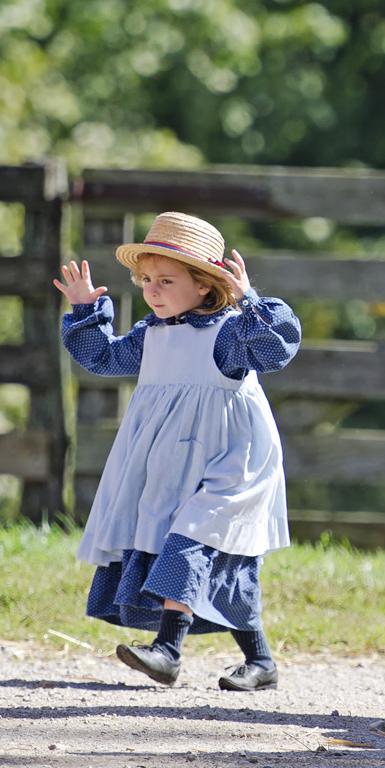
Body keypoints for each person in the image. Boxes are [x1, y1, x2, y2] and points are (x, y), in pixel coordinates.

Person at [54, 211, 302, 691]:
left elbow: (275, 350)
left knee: (190, 539)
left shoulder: (229, 333)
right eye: (146, 279)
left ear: (207, 286)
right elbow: (102, 358)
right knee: (214, 553)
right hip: (172, 464)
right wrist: (85, 309)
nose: (152, 290)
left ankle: (167, 651)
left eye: (166, 280)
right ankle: (261, 662)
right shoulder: (152, 335)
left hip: (233, 462)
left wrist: (250, 301)